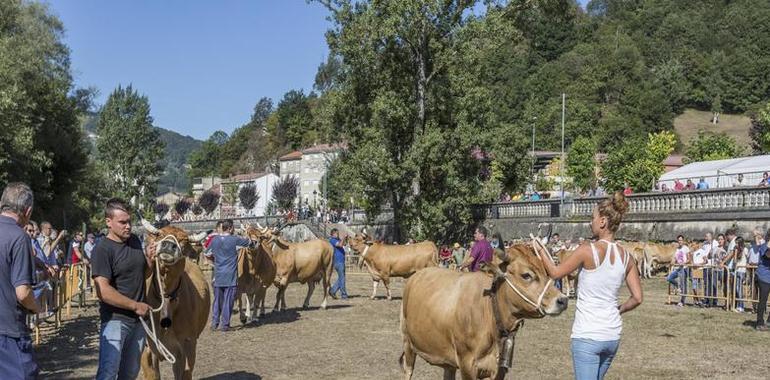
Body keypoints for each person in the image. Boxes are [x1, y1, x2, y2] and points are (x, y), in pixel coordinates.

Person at [537, 192, 642, 380]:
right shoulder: (627, 257)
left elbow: (555, 273)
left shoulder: (587, 250)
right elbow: (637, 298)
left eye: (592, 218)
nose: (590, 222)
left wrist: (539, 249)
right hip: (612, 335)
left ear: (602, 221)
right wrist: (618, 309)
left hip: (588, 334)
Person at [91, 198, 154, 380]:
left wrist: (149, 260)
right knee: (108, 373)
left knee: (130, 374)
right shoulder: (102, 249)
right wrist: (135, 305)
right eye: (122, 222)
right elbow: (103, 291)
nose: (128, 226)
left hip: (138, 321)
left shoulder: (134, 241)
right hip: (115, 322)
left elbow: (143, 274)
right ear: (108, 222)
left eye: (129, 222)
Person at [0, 182, 41, 379]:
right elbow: (23, 292)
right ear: (28, 211)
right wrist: (36, 307)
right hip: (9, 333)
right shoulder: (19, 237)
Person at [207, 219, 251, 332]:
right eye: (233, 228)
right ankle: (225, 325)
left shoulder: (214, 240)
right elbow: (250, 243)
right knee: (228, 301)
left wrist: (215, 264)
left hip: (218, 275)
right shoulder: (235, 239)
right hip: (230, 276)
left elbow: (207, 254)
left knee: (217, 300)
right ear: (230, 228)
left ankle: (214, 323)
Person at [721, 237, 747, 312]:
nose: (735, 244)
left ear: (740, 243)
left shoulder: (745, 250)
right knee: (735, 289)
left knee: (739, 289)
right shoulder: (736, 250)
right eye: (735, 243)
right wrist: (735, 252)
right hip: (735, 270)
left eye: (736, 243)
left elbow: (745, 259)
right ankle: (736, 305)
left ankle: (741, 306)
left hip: (741, 270)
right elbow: (735, 261)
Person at [666, 235, 690, 307]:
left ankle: (682, 301)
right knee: (669, 278)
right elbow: (675, 259)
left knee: (683, 285)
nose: (680, 242)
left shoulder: (686, 248)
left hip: (684, 268)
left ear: (683, 241)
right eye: (678, 240)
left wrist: (684, 263)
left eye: (681, 240)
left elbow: (689, 259)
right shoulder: (677, 250)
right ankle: (677, 286)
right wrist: (672, 262)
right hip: (678, 268)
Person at [753, 229, 770, 331]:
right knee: (763, 300)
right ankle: (759, 323)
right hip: (763, 277)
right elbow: (768, 255)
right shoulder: (764, 246)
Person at [328, 228, 348, 300]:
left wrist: (345, 238)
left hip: (341, 261)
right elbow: (340, 245)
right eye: (337, 233)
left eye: (338, 233)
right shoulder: (332, 240)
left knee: (341, 278)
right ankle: (344, 295)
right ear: (333, 234)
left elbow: (344, 244)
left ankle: (332, 291)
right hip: (337, 262)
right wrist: (343, 238)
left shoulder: (337, 239)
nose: (338, 234)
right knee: (342, 279)